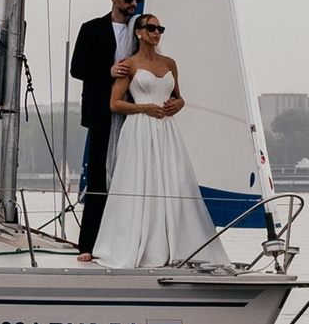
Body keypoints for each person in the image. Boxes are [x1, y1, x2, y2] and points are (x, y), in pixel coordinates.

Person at [92, 14, 220, 270]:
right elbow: (114, 103)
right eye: (151, 28)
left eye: (160, 28)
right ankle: (140, 245)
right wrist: (144, 107)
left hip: (166, 129)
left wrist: (179, 104)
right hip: (140, 128)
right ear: (138, 32)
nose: (156, 32)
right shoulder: (129, 65)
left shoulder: (170, 63)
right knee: (141, 180)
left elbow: (178, 96)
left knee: (173, 179)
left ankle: (177, 246)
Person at [68, 0, 143, 259]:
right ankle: (88, 245)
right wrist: (108, 72)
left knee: (131, 177)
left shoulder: (141, 29)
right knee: (98, 178)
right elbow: (77, 68)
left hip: (133, 114)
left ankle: (129, 245)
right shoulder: (91, 29)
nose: (133, 4)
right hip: (101, 112)